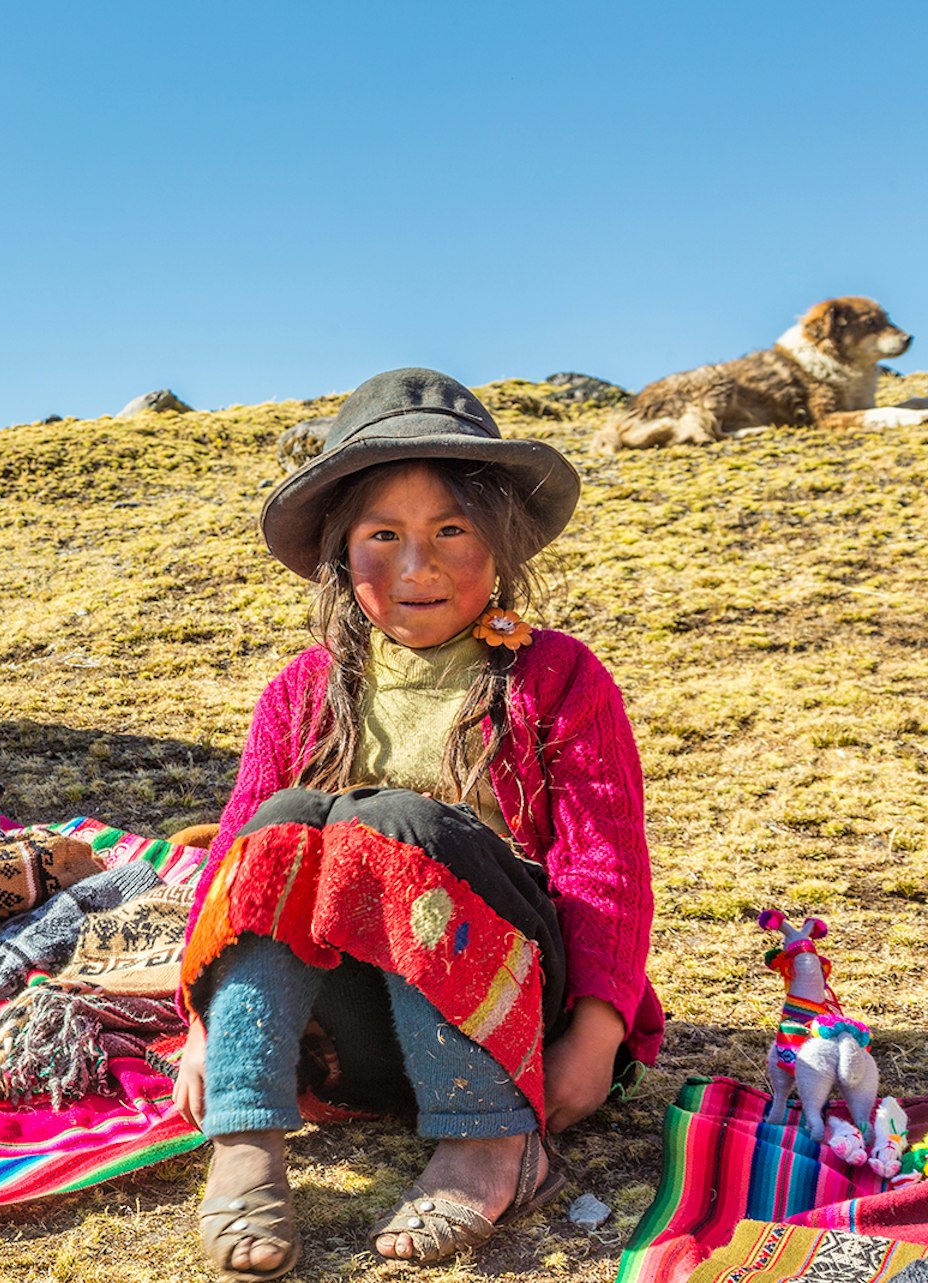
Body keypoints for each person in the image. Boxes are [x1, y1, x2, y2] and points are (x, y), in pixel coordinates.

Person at [173, 368, 664, 1279]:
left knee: (392, 820)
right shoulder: (302, 691)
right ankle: (246, 1134)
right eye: (382, 536)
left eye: (451, 530)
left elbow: (606, 872)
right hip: (355, 1048)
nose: (416, 565)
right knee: (282, 823)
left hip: (520, 1036)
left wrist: (594, 1037)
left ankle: (489, 1147)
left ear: (502, 540)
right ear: (340, 553)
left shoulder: (556, 678)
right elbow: (232, 878)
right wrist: (206, 1026)